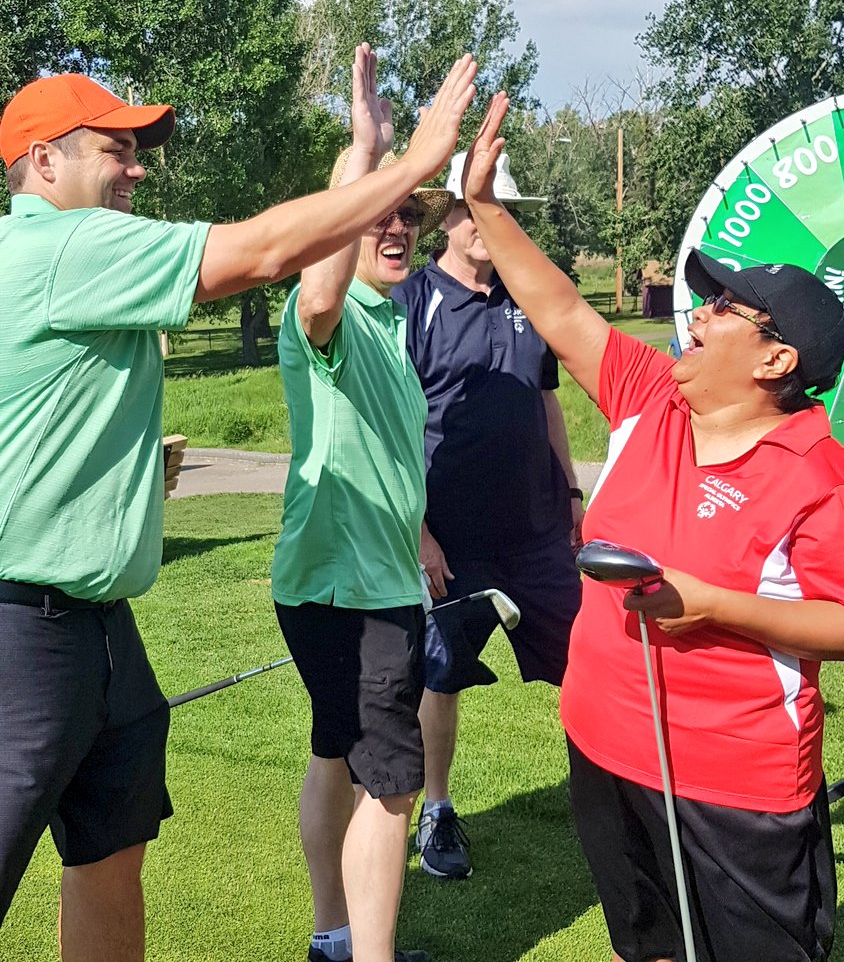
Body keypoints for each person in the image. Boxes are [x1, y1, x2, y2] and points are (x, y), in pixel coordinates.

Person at [0, 47, 477, 959]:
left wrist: (360, 150)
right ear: (44, 161)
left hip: (98, 626)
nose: (137, 168)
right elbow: (267, 252)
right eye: (116, 147)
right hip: (23, 630)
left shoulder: (81, 259)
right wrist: (408, 164)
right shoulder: (61, 242)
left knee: (109, 855)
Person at [459, 93, 844, 962]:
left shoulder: (821, 478)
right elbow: (561, 312)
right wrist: (485, 206)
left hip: (736, 784)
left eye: (725, 309)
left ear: (775, 360)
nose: (699, 311)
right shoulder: (651, 401)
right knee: (640, 946)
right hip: (603, 746)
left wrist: (715, 606)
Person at [271, 48, 457, 962]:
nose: (397, 230)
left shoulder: (387, 324)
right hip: (350, 586)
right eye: (377, 218)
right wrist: (367, 148)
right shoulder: (330, 315)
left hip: (357, 572)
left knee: (336, 753)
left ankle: (334, 938)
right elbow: (315, 279)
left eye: (408, 218)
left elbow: (384, 452)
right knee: (391, 782)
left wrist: (417, 525)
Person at [392, 151, 583, 880]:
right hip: (452, 542)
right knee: (439, 678)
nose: (486, 225)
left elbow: (545, 402)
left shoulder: (525, 296)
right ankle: (435, 812)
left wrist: (569, 494)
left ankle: (610, 797)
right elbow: (393, 427)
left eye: (498, 211)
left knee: (586, 666)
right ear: (448, 216)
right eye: (475, 210)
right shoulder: (413, 302)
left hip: (538, 533)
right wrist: (419, 532)